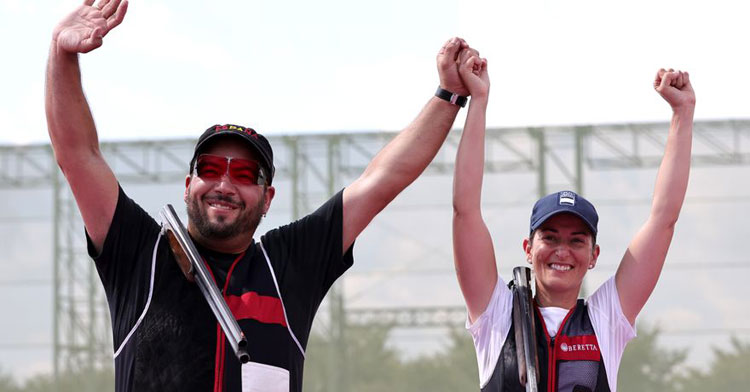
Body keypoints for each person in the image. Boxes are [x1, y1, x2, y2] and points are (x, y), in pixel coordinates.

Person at [45, 1, 476, 391]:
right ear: (188, 184)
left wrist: (449, 95)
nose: (224, 185)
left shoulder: (289, 264)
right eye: (210, 170)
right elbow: (77, 154)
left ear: (267, 198)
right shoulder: (141, 253)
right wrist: (61, 54)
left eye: (245, 174)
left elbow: (382, 180)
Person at [451, 50, 695, 391]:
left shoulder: (606, 319)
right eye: (549, 237)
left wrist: (682, 114)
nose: (562, 250)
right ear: (528, 248)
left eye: (576, 240)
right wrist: (478, 99)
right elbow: (466, 210)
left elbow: (663, 220)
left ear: (594, 255)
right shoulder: (495, 314)